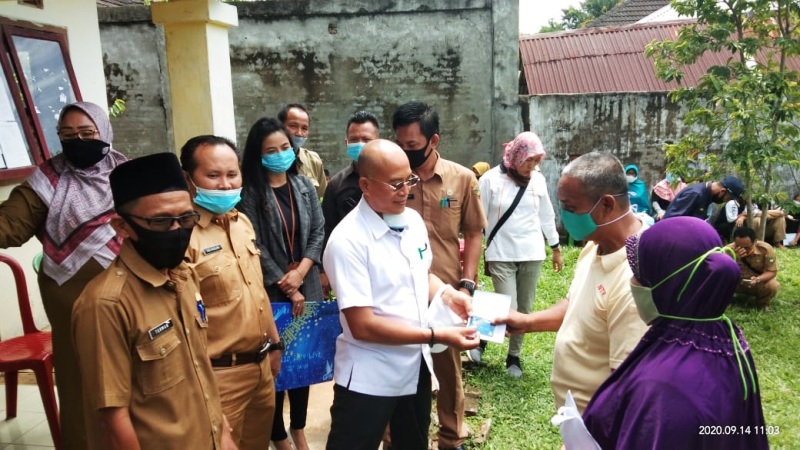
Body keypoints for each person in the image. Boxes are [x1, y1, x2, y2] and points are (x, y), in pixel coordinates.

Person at [72, 152, 236, 449]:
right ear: (122, 227)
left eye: (186, 218)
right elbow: (112, 418)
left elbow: (201, 370)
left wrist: (223, 434)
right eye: (161, 222)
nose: (176, 230)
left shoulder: (185, 277)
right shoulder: (106, 305)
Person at [323, 139, 479, 450]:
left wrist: (448, 295)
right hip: (369, 375)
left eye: (409, 180)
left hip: (414, 366)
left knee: (412, 443)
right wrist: (437, 335)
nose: (405, 191)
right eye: (395, 184)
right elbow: (362, 325)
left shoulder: (412, 222)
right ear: (365, 185)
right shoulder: (348, 241)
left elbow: (421, 275)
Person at [0, 101, 127, 450]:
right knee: (80, 381)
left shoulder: (126, 173)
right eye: (68, 135)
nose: (78, 141)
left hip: (129, 293)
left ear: (105, 132)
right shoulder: (47, 180)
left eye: (88, 134)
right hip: (70, 298)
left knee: (134, 372)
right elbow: (10, 224)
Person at [582, 216, 768, 450]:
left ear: (670, 284)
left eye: (641, 274)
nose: (634, 281)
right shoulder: (725, 337)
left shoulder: (662, 388)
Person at [495, 152, 649, 412]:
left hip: (598, 424)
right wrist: (526, 322)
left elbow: (626, 387)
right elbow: (576, 303)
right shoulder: (595, 245)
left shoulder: (635, 279)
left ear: (606, 205)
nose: (563, 216)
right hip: (576, 417)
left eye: (570, 208)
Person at [393, 101, 487, 450]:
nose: (405, 152)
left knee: (448, 370)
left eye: (412, 146)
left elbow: (474, 231)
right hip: (400, 292)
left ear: (434, 140)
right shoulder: (395, 180)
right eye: (399, 143)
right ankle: (395, 437)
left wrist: (468, 280)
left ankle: (450, 437)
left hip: (446, 291)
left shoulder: (461, 179)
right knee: (400, 365)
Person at [180, 135, 284, 449]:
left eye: (232, 174)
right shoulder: (183, 236)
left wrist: (276, 345)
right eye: (213, 176)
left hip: (261, 369)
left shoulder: (242, 224)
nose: (225, 185)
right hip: (218, 376)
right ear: (189, 179)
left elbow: (257, 290)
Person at [238, 117, 325, 450]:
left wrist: (302, 273)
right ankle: (277, 434)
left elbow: (318, 231)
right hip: (271, 291)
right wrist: (285, 282)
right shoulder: (250, 193)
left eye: (285, 147)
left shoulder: (303, 185)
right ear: (258, 155)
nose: (280, 154)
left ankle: (298, 428)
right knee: (275, 363)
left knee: (303, 361)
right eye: (271, 150)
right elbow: (254, 243)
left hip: (307, 284)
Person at [472, 132, 562, 378]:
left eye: (536, 161)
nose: (532, 167)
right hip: (500, 251)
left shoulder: (538, 180)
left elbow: (546, 215)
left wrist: (555, 247)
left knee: (524, 308)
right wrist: (478, 249)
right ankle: (480, 338)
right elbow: (479, 219)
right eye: (528, 161)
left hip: (532, 252)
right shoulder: (490, 180)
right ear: (515, 156)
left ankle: (514, 356)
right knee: (506, 304)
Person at [321, 111, 380, 298]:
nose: (360, 144)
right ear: (346, 143)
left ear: (378, 141)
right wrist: (325, 272)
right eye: (354, 139)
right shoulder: (337, 184)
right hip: (350, 268)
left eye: (366, 139)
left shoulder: (392, 180)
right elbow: (327, 229)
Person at [278, 103, 327, 198]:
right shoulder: (270, 160)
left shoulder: (313, 160)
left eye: (304, 128)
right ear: (280, 126)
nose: (299, 133)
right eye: (293, 126)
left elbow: (321, 198)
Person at [728, 226, 779, 310]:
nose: (742, 250)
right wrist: (735, 258)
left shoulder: (765, 249)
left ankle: (762, 303)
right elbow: (721, 271)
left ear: (755, 242)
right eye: (738, 246)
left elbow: (772, 272)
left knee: (773, 285)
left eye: (746, 247)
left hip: (757, 282)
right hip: (736, 282)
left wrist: (757, 279)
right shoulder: (728, 250)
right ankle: (726, 300)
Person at [663, 175, 744, 220]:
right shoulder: (695, 194)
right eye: (728, 198)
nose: (726, 201)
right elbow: (671, 220)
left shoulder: (707, 196)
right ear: (722, 191)